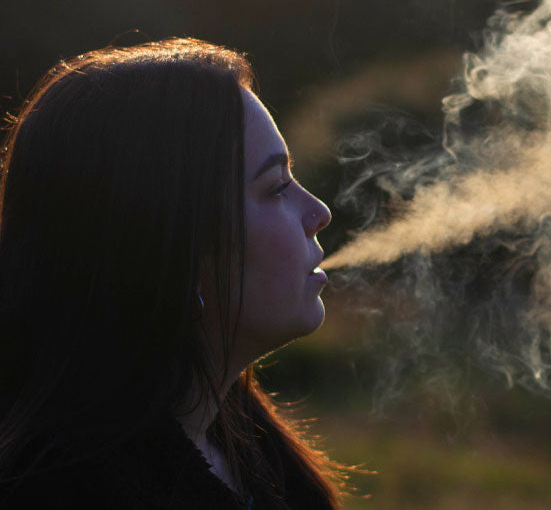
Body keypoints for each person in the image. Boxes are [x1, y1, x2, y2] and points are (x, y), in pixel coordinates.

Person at [0, 39, 346, 509]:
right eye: (276, 187)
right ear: (172, 247)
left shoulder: (251, 448)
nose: (319, 212)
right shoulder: (59, 490)